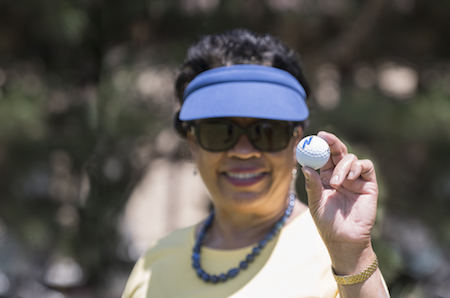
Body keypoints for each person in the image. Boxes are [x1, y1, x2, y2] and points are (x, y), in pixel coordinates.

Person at [122, 29, 390, 298]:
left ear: (296, 140)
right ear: (193, 143)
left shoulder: (339, 255)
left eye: (266, 131)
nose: (243, 152)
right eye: (219, 131)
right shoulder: (154, 264)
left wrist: (352, 257)